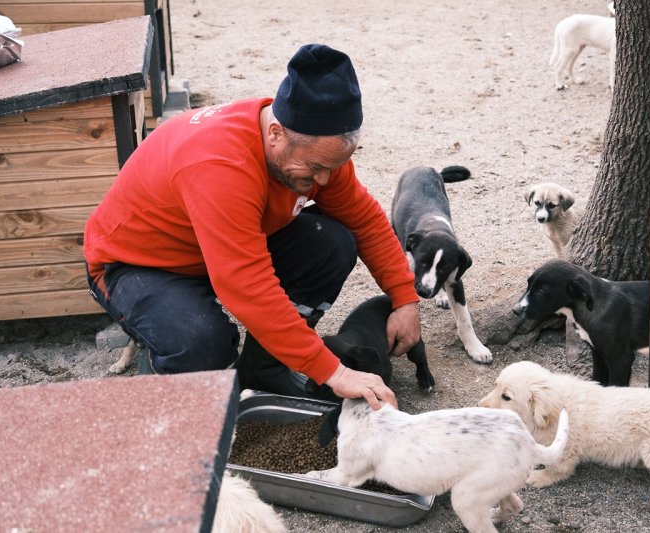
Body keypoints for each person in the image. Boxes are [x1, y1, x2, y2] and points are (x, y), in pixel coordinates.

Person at [83, 43, 420, 409]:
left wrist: (404, 299)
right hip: (138, 265)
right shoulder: (220, 166)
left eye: (332, 168)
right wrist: (334, 373)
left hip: (216, 250)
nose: (324, 180)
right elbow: (246, 284)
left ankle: (264, 368)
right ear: (275, 134)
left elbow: (365, 220)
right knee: (202, 345)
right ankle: (162, 381)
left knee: (332, 245)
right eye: (314, 169)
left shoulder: (314, 149)